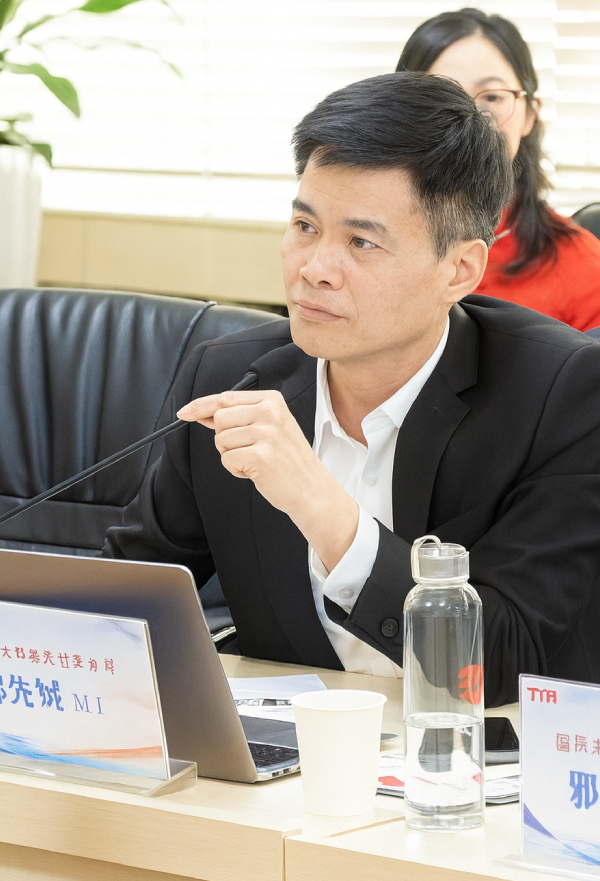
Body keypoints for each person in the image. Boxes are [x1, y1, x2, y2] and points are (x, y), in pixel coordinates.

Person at [103, 72, 600, 707]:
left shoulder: (559, 394)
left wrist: (320, 505)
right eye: (305, 226)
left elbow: (501, 661)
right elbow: (126, 594)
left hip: (481, 756)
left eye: (361, 242)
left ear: (460, 270)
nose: (314, 269)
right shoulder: (230, 377)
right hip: (290, 755)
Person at [397, 8, 600, 332]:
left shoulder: (583, 265)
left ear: (530, 115)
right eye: (441, 95)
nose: (468, 118)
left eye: (492, 96)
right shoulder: (356, 239)